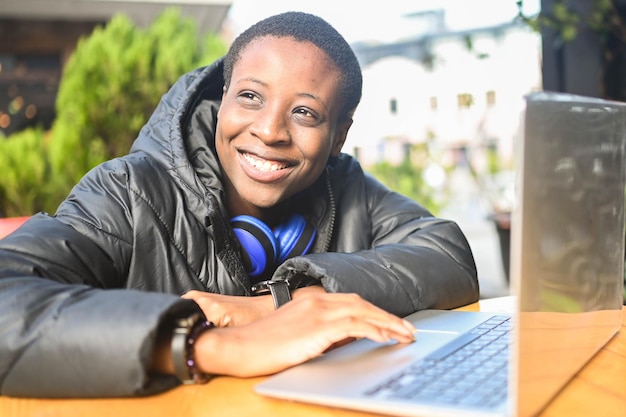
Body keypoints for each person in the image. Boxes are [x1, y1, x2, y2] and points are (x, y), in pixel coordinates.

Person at [0, 11, 478, 398]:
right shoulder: (127, 192)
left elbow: (448, 254)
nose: (270, 131)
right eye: (250, 96)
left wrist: (283, 301)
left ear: (339, 138)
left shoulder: (347, 187)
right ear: (222, 95)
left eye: (305, 112)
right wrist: (209, 346)